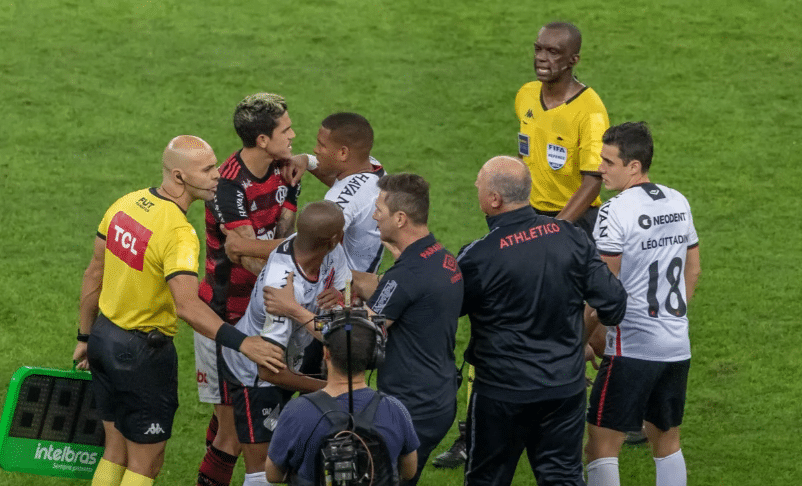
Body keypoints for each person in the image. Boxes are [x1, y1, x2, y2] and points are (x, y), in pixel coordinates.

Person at [71, 136, 285, 486]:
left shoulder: (126, 203)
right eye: (207, 169)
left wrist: (84, 336)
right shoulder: (179, 232)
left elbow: (94, 273)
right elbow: (187, 305)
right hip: (141, 355)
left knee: (114, 451)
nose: (218, 175)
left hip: (104, 339)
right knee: (145, 464)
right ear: (179, 176)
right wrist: (244, 343)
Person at [457, 156, 627, 486]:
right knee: (563, 478)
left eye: (480, 183)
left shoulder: (478, 256)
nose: (475, 186)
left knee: (486, 480)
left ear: (495, 199)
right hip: (563, 387)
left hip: (502, 392)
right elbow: (614, 302)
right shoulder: (571, 236)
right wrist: (576, 342)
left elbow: (448, 311)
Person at [585, 122, 701, 486]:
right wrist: (672, 316)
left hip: (631, 348)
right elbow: (693, 269)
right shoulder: (678, 201)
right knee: (666, 442)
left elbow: (604, 291)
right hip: (676, 345)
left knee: (601, 447)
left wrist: (578, 340)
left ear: (634, 166)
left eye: (608, 162)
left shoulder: (613, 211)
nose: (600, 168)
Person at [195, 93, 300, 486]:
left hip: (260, 310)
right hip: (225, 318)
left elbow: (280, 230)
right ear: (262, 139)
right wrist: (301, 251)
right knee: (234, 434)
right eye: (286, 130)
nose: (293, 135)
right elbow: (246, 255)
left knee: (235, 421)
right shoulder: (228, 185)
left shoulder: (280, 169)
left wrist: (293, 193)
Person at [220, 201, 352, 486]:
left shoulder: (328, 250)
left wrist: (339, 295)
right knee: (263, 471)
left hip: (294, 357)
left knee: (299, 450)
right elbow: (268, 370)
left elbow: (344, 296)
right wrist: (328, 389)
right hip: (254, 375)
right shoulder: (281, 289)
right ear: (334, 238)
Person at [348, 173, 463, 485]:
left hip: (411, 406)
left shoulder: (407, 275)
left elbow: (357, 339)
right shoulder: (441, 256)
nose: (374, 216)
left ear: (400, 218)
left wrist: (292, 309)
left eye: (379, 210)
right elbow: (406, 297)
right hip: (437, 395)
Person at [264, 314, 420, 485]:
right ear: (374, 357)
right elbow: (409, 471)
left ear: (326, 353)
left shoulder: (296, 411)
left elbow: (273, 475)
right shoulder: (395, 409)